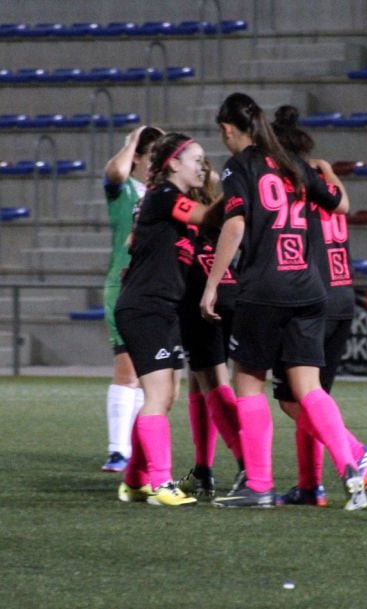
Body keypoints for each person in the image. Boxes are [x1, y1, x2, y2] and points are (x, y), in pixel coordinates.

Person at [200, 92, 367, 510]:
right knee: (308, 387)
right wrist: (325, 173)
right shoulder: (292, 164)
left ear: (227, 129)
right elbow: (341, 204)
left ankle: (258, 485)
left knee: (248, 382)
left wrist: (213, 284)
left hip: (265, 287)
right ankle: (350, 466)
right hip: (311, 289)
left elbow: (235, 226)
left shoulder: (240, 165)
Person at [270, 105, 367, 506]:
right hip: (342, 296)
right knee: (313, 396)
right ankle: (308, 486)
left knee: (291, 397)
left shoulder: (290, 188)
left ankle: (354, 450)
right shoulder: (324, 181)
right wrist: (327, 170)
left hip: (311, 298)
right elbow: (344, 205)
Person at [114, 133, 212, 507]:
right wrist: (240, 199)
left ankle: (136, 480)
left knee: (165, 395)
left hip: (162, 308)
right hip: (145, 308)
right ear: (173, 164)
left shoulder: (167, 202)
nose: (202, 166)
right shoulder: (167, 196)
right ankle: (160, 485)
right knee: (157, 395)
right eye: (196, 159)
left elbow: (135, 244)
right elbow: (204, 215)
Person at [175, 161, 245, 498]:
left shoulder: (180, 210)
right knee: (199, 379)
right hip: (230, 290)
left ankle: (248, 464)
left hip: (199, 295)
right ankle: (202, 469)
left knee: (213, 379)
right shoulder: (217, 214)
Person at [101, 125, 163, 472]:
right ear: (138, 158)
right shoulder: (124, 190)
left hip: (158, 288)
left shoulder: (167, 192)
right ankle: (118, 450)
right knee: (127, 370)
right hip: (124, 285)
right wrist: (131, 141)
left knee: (150, 375)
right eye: (150, 155)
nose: (156, 163)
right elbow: (115, 171)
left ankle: (136, 448)